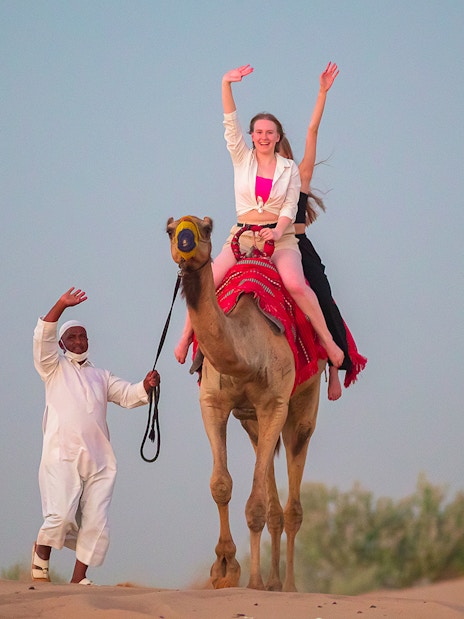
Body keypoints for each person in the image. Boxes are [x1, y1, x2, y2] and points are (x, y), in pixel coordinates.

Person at [175, 64, 344, 370]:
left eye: (270, 132)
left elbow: (290, 207)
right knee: (207, 280)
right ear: (252, 136)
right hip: (242, 235)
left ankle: (330, 343)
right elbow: (230, 124)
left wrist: (278, 232)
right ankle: (186, 336)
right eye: (259, 132)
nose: (264, 136)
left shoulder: (290, 169)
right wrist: (225, 83)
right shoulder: (242, 159)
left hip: (280, 239)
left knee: (295, 283)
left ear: (278, 136)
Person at [31, 287, 160, 585]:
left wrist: (147, 384)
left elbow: (128, 395)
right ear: (62, 344)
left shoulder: (101, 376)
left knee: (96, 523)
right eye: (72, 338)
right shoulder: (53, 368)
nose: (78, 342)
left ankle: (78, 581)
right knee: (60, 516)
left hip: (99, 460)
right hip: (61, 454)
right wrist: (61, 304)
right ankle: (40, 563)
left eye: (82, 336)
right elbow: (42, 339)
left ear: (89, 341)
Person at [278, 62, 367, 400]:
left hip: (297, 246)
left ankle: (332, 366)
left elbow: (312, 131)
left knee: (323, 296)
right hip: (269, 245)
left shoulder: (299, 176)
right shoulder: (263, 182)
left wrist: (321, 94)